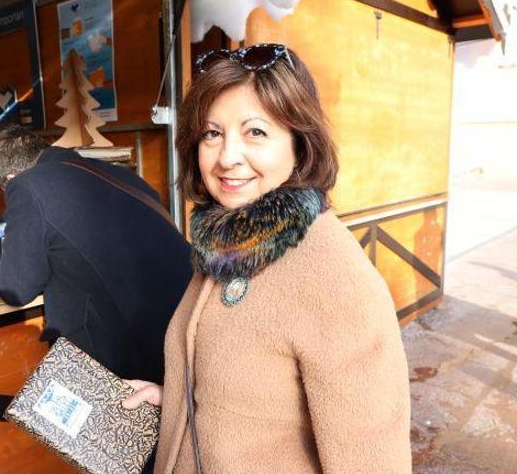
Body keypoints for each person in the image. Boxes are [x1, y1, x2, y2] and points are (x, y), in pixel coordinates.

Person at [123, 44, 411, 473]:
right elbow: (254, 395)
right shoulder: (226, 245)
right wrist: (180, 398)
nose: (226, 158)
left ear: (299, 143)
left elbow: (373, 461)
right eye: (211, 133)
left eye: (255, 132)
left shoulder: (334, 278)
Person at [0, 125, 193, 385]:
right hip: (182, 335)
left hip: (118, 357)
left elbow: (16, 287)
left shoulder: (27, 185)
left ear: (11, 178)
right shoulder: (122, 176)